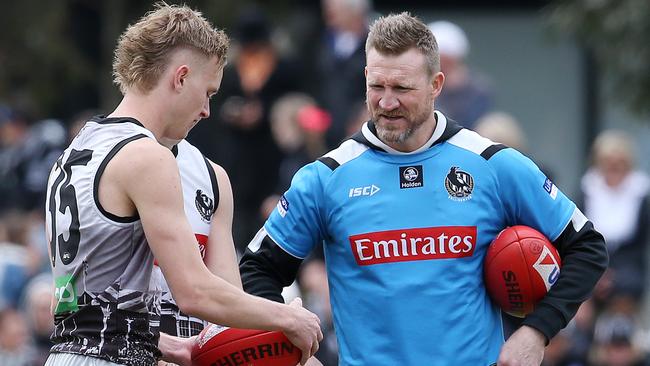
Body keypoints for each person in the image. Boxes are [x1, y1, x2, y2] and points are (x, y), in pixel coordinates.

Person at [240, 12, 608, 365]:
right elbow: (256, 270)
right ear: (366, 76)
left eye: (402, 88)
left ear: (436, 85)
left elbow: (587, 247)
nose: (386, 102)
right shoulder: (326, 177)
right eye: (377, 86)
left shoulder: (493, 164)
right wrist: (291, 353)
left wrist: (535, 333)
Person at [44, 4, 321, 366]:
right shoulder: (146, 155)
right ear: (181, 77)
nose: (208, 110)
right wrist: (287, 317)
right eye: (208, 92)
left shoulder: (75, 151)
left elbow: (67, 301)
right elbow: (194, 292)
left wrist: (171, 345)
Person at [427, 20, 493, 128]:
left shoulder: (478, 89)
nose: (442, 67)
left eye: (446, 62)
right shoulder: (416, 85)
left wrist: (454, 92)